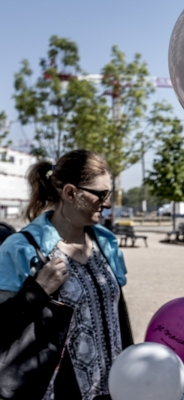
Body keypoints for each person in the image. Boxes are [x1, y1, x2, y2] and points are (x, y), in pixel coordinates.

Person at [0, 150, 133, 400]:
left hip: (114, 391)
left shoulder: (106, 243)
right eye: (101, 195)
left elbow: (118, 318)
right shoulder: (22, 249)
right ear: (70, 193)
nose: (107, 203)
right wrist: (36, 293)